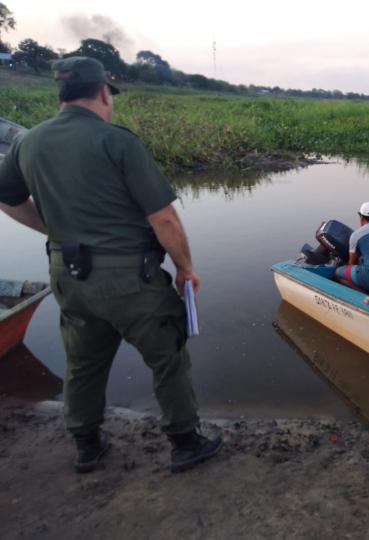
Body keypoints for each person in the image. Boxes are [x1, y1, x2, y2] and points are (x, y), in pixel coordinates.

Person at [0, 57, 222, 474]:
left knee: (83, 363)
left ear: (61, 95)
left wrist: (52, 228)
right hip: (129, 280)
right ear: (104, 92)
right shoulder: (117, 141)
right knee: (168, 355)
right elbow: (164, 218)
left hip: (68, 275)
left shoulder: (28, 143)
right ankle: (185, 443)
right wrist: (185, 268)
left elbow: (7, 198)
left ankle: (87, 446)